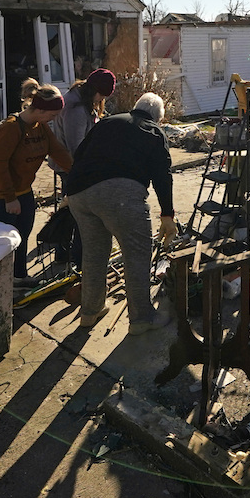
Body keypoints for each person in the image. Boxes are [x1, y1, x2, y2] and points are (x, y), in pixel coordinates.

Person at [64, 92, 176, 330]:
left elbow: (80, 154)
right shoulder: (154, 131)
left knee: (94, 254)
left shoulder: (107, 122)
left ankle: (90, 312)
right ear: (158, 117)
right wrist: (168, 214)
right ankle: (142, 318)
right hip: (120, 195)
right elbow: (162, 175)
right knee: (136, 254)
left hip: (79, 194)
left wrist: (69, 192)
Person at [0, 83, 72, 280]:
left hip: (23, 191)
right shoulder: (11, 128)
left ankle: (20, 277)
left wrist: (80, 171)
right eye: (53, 114)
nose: (55, 119)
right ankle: (1, 284)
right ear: (39, 109)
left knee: (22, 236)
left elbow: (58, 152)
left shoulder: (42, 127)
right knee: (3, 242)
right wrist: (9, 198)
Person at [47, 68, 117, 269]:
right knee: (77, 212)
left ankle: (64, 252)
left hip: (74, 165)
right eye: (102, 95)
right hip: (72, 166)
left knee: (69, 207)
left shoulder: (81, 98)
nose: (101, 100)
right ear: (94, 89)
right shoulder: (76, 109)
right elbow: (76, 147)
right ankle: (73, 256)